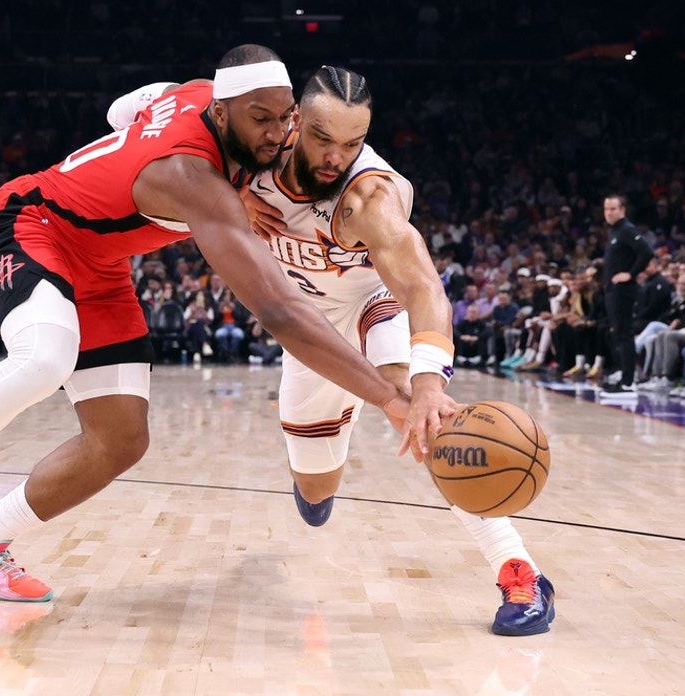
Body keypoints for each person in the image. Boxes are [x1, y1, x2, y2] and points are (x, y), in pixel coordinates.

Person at [0, 46, 415, 605]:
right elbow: (280, 312)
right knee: (44, 358)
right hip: (33, 224)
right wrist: (389, 395)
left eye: (283, 117)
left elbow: (123, 110)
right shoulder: (190, 176)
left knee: (120, 440)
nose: (275, 133)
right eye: (258, 119)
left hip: (99, 262)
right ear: (221, 112)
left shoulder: (196, 96)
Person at [234, 65, 553, 636]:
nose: (336, 157)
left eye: (353, 143)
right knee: (314, 495)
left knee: (420, 416)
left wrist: (430, 384)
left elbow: (423, 288)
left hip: (373, 302)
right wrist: (228, 192)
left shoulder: (368, 197)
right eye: (323, 139)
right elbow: (138, 118)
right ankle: (329, 448)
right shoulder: (253, 143)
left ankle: (519, 571)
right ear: (294, 122)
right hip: (310, 327)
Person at [598, 194, 653, 397]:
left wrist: (630, 273)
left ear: (622, 210)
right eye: (606, 209)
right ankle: (624, 378)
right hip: (613, 290)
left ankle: (628, 382)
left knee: (624, 334)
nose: (609, 213)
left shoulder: (627, 229)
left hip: (623, 290)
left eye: (613, 209)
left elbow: (646, 252)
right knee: (618, 334)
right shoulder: (615, 231)